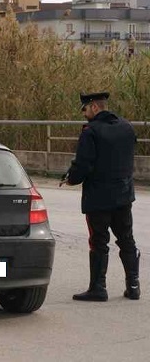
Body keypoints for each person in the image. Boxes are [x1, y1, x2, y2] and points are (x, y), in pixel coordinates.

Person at [61, 92, 140, 301]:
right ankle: (133, 286)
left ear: (94, 107)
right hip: (123, 195)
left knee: (98, 241)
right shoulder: (126, 126)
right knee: (126, 239)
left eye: (85, 109)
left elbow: (83, 164)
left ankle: (98, 288)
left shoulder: (91, 131)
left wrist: (71, 180)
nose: (84, 114)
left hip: (98, 198)